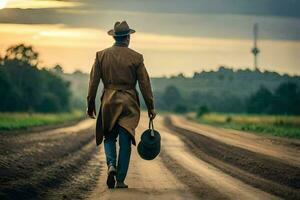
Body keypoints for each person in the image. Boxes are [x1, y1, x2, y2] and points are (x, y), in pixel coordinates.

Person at [87, 21, 156, 189]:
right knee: (125, 141)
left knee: (109, 137)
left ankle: (111, 164)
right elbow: (144, 84)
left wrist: (90, 103)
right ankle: (120, 180)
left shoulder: (101, 55)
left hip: (109, 101)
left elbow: (93, 82)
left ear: (115, 37)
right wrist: (151, 106)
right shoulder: (136, 57)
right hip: (129, 102)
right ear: (127, 38)